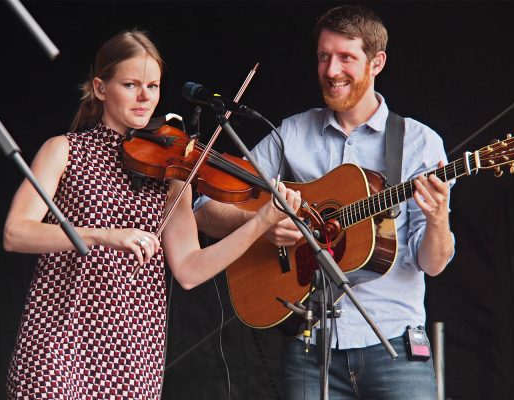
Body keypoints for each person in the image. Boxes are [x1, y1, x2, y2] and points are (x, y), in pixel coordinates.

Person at [3, 29, 300, 399]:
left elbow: (191, 270)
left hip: (132, 353)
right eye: (130, 84)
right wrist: (102, 235)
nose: (145, 97)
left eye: (154, 86)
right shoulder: (64, 151)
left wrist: (260, 223)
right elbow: (16, 233)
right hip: (59, 340)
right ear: (100, 87)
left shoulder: (174, 174)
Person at [194, 5, 455, 399]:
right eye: (324, 57)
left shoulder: (420, 143)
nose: (332, 71)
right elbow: (205, 209)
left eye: (346, 58)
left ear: (377, 62)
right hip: (309, 346)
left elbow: (432, 264)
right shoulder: (292, 134)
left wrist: (437, 220)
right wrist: (262, 225)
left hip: (396, 346)